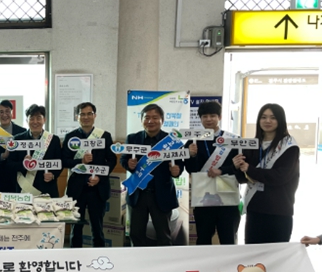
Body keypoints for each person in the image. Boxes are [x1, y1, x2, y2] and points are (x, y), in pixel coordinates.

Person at [233, 103, 300, 244]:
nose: (267, 121)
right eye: (263, 117)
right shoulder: (252, 145)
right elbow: (242, 179)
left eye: (273, 117)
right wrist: (237, 166)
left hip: (278, 210)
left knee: (276, 254)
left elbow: (280, 177)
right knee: (253, 253)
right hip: (255, 209)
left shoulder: (289, 147)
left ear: (280, 120)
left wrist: (250, 169)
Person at [121, 104, 184, 246]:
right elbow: (123, 159)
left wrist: (177, 171)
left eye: (155, 118)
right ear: (141, 120)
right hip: (138, 195)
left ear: (162, 120)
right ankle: (138, 260)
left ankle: (164, 261)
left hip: (161, 194)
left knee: (164, 236)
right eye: (147, 117)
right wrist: (128, 164)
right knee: (136, 235)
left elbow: (180, 165)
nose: (150, 121)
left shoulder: (172, 141)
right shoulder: (133, 138)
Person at [184, 101, 241, 245]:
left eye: (212, 116)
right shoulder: (193, 141)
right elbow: (190, 170)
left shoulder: (233, 140)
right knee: (203, 239)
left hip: (227, 198)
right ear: (200, 119)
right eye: (205, 116)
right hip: (204, 199)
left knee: (228, 239)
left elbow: (240, 167)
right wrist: (191, 155)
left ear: (219, 117)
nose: (209, 119)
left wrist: (222, 170)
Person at [61, 102, 117, 248]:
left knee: (97, 228)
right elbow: (64, 161)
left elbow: (112, 160)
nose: (86, 117)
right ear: (77, 117)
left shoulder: (104, 136)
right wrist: (81, 161)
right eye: (82, 114)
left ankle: (99, 256)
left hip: (97, 189)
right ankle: (74, 257)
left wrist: (100, 177)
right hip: (77, 188)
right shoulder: (71, 137)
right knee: (76, 228)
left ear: (94, 115)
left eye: (89, 114)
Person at [8, 104, 62, 198]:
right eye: (32, 118)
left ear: (44, 120)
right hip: (24, 189)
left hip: (47, 189)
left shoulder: (54, 140)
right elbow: (9, 164)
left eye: (38, 118)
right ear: (27, 120)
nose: (35, 122)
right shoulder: (17, 140)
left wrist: (53, 175)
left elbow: (60, 162)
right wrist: (23, 164)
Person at [0, 99, 26, 193]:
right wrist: (2, 156)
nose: (4, 115)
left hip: (17, 176)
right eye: (1, 112)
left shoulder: (22, 132)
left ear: (12, 113)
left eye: (7, 111)